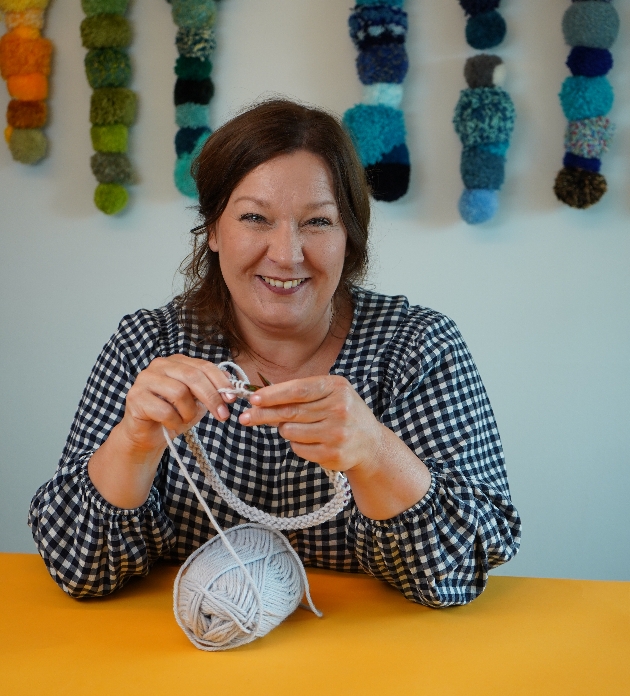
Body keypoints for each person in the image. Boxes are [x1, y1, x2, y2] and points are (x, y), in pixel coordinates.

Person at [29, 99, 521, 607]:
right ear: (213, 230)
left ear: (349, 238)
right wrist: (134, 443)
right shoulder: (147, 346)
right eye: (255, 218)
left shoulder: (419, 348)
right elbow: (78, 569)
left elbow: (461, 573)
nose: (287, 254)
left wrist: (375, 452)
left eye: (318, 223)